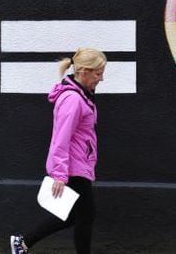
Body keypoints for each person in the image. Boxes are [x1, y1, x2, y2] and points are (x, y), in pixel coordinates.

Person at [10, 48, 107, 254]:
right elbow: (60, 139)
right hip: (73, 167)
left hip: (79, 163)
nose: (101, 78)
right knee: (85, 215)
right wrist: (60, 174)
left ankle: (22, 243)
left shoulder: (82, 95)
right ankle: (22, 242)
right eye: (98, 73)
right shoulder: (73, 100)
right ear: (83, 71)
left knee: (78, 215)